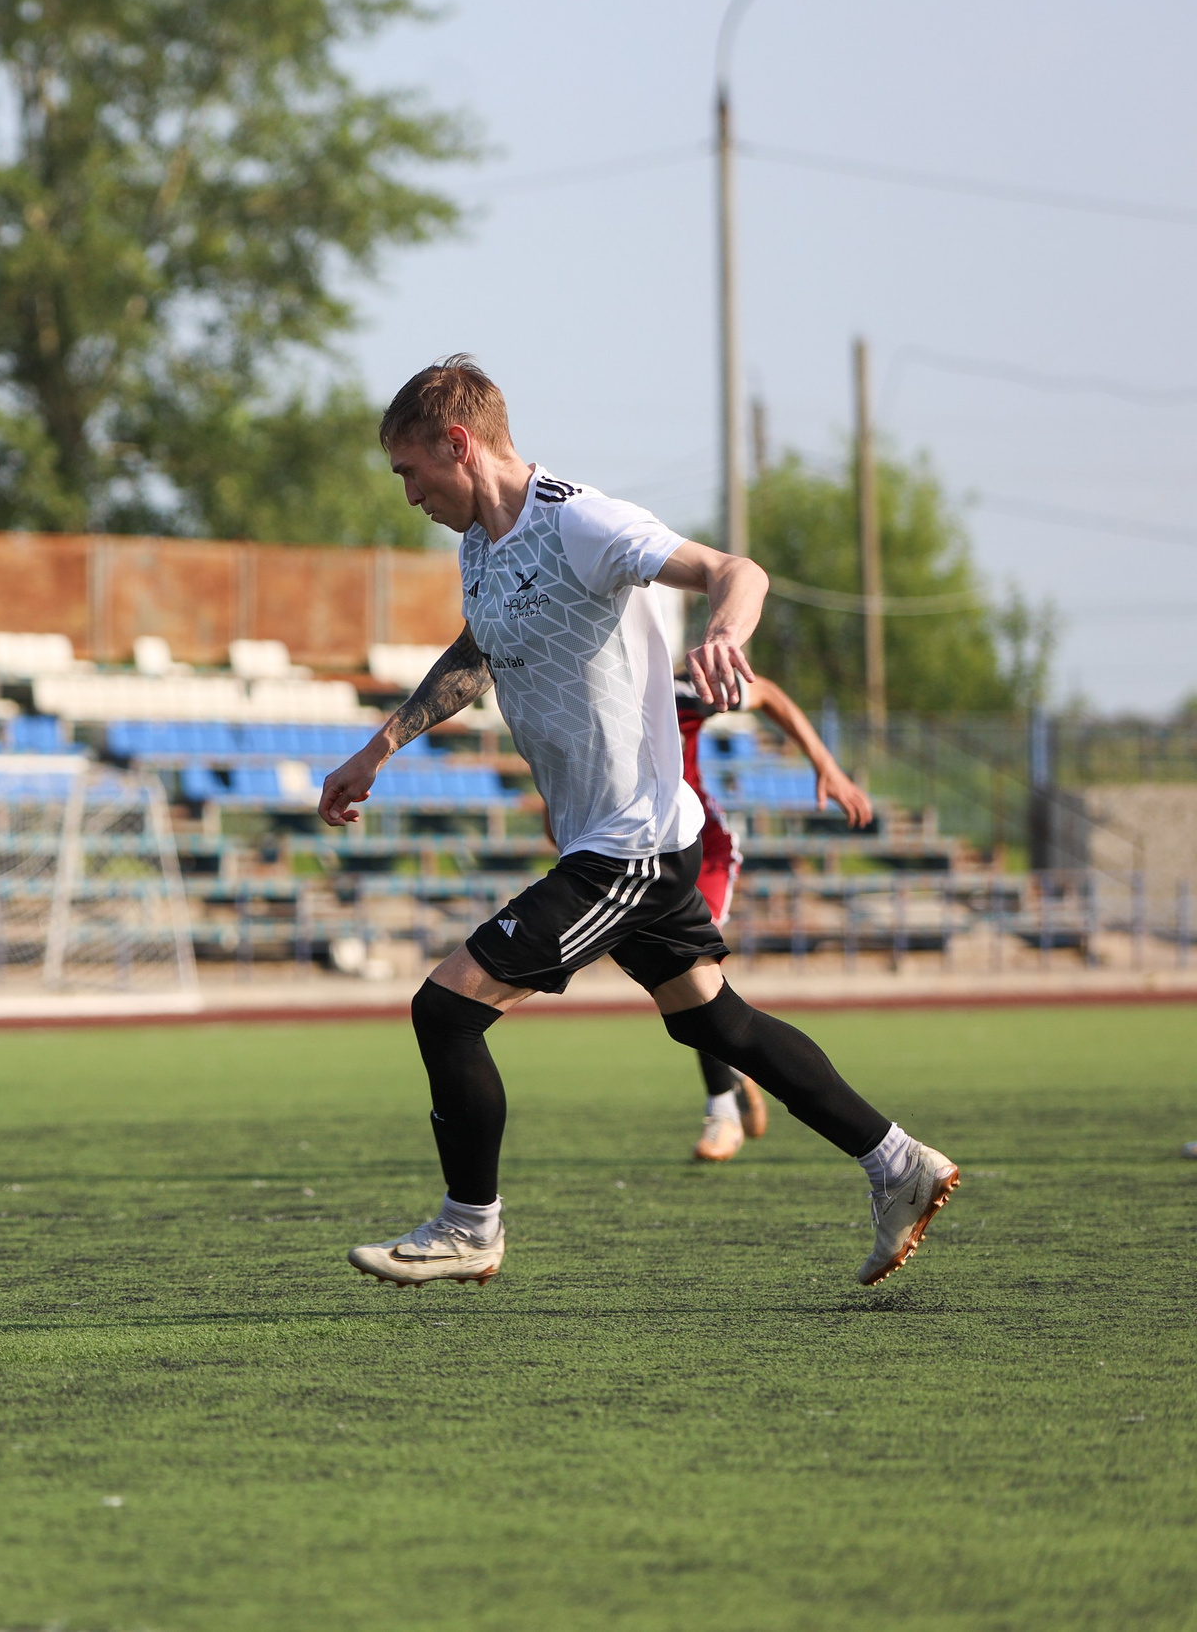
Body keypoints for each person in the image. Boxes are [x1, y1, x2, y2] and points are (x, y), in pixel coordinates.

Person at [319, 357, 956, 1289]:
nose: (407, 492)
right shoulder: (481, 546)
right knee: (719, 1025)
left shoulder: (580, 520)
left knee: (446, 1010)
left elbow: (737, 570)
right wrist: (382, 747)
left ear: (458, 443)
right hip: (620, 836)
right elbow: (477, 652)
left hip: (632, 842)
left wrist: (726, 635)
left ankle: (470, 1227)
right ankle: (899, 1163)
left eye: (411, 469)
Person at [666, 632, 873, 1162]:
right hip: (642, 850)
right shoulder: (594, 694)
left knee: (686, 966)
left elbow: (771, 695)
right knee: (674, 976)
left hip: (704, 848)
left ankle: (723, 1113)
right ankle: (735, 1071)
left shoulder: (678, 689)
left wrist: (825, 766)